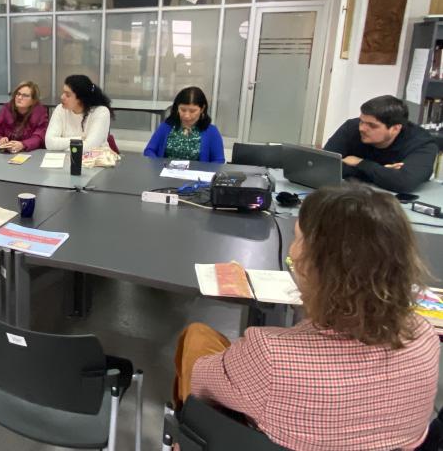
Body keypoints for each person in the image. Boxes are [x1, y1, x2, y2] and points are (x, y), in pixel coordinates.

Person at [173, 185, 439, 451]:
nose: (292, 250)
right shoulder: (425, 338)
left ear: (317, 265)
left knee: (197, 338)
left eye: (298, 237)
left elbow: (201, 384)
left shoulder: (271, 355)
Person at [324, 95, 436, 193]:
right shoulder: (351, 128)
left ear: (395, 128)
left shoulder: (422, 143)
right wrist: (383, 172)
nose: (362, 128)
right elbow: (324, 164)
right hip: (352, 194)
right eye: (361, 121)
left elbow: (404, 183)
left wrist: (360, 163)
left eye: (372, 125)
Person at [144, 86, 225, 163]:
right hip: (165, 174)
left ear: (202, 109)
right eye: (182, 110)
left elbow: (219, 161)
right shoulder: (166, 126)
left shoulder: (211, 132)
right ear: (177, 108)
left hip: (196, 176)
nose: (187, 115)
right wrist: (158, 165)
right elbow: (149, 151)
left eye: (192, 111)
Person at [44, 74, 112, 151]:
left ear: (81, 99)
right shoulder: (60, 109)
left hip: (94, 161)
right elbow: (49, 143)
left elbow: (90, 147)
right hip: (65, 159)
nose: (62, 97)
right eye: (63, 93)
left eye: (68, 95)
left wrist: (62, 144)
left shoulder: (101, 112)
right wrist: (81, 139)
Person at [0, 80, 49, 153]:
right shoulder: (7, 108)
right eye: (18, 94)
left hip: (30, 153)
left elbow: (39, 137)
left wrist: (22, 145)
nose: (19, 97)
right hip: (6, 153)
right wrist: (0, 140)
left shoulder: (40, 112)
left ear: (33, 101)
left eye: (25, 95)